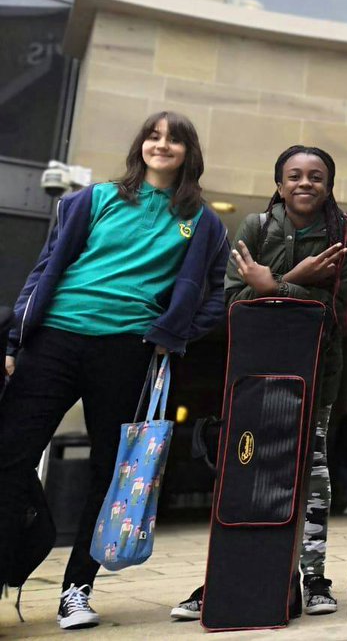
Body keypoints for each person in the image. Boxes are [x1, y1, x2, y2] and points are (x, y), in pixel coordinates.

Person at [0, 112, 229, 630]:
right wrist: (15, 339)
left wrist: (173, 333)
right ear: (140, 144)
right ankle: (21, 548)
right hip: (54, 339)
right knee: (9, 456)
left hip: (128, 351)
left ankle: (76, 591)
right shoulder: (94, 199)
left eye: (174, 139)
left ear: (188, 152)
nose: (161, 145)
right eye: (154, 136)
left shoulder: (202, 221)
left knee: (111, 471)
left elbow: (216, 293)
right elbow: (45, 268)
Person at [172, 144, 347, 620]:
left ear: (329, 186)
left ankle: (314, 578)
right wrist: (296, 280)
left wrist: (273, 285)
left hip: (316, 371)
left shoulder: (344, 233)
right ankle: (232, 574)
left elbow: (334, 311)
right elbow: (234, 302)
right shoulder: (255, 227)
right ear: (279, 184)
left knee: (314, 473)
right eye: (294, 175)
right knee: (249, 470)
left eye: (315, 176)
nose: (304, 183)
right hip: (255, 372)